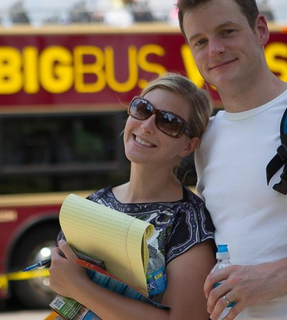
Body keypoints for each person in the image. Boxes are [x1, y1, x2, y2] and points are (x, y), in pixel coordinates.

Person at [176, 0, 287, 319]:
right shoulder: (207, 138)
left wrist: (286, 274)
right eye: (200, 41)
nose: (214, 49)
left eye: (226, 32)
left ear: (260, 29)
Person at [48, 72, 216, 320]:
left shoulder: (189, 225)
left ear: (188, 146)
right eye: (143, 108)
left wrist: (79, 287)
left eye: (169, 122)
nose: (146, 126)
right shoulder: (94, 204)